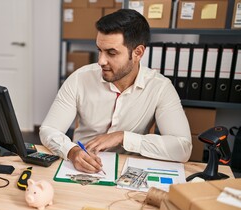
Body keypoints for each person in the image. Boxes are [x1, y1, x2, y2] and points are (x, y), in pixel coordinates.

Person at [39, 9, 192, 174]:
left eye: (111, 53)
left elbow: (182, 148)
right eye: (99, 50)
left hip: (128, 174)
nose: (101, 61)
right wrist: (71, 151)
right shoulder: (80, 78)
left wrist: (123, 137)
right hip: (79, 170)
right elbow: (48, 129)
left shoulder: (160, 87)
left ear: (138, 53)